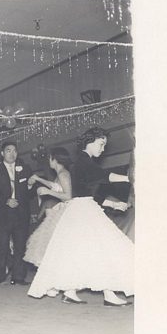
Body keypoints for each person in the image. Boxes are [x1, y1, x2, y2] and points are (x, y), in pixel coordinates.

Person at [27, 129, 133, 306]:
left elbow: (87, 193)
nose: (103, 148)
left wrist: (114, 204)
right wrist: (129, 178)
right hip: (83, 211)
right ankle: (107, 294)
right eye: (101, 144)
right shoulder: (83, 161)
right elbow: (105, 176)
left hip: (83, 208)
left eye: (104, 145)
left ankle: (72, 292)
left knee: (88, 250)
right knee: (104, 247)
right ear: (89, 142)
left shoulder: (83, 163)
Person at [0, 141, 33, 285]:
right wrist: (6, 200)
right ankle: (0, 276)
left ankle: (18, 277)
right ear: (2, 153)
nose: (12, 153)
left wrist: (30, 186)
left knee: (20, 246)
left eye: (14, 151)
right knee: (1, 245)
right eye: (8, 151)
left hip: (21, 213)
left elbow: (29, 193)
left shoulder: (25, 169)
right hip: (3, 213)